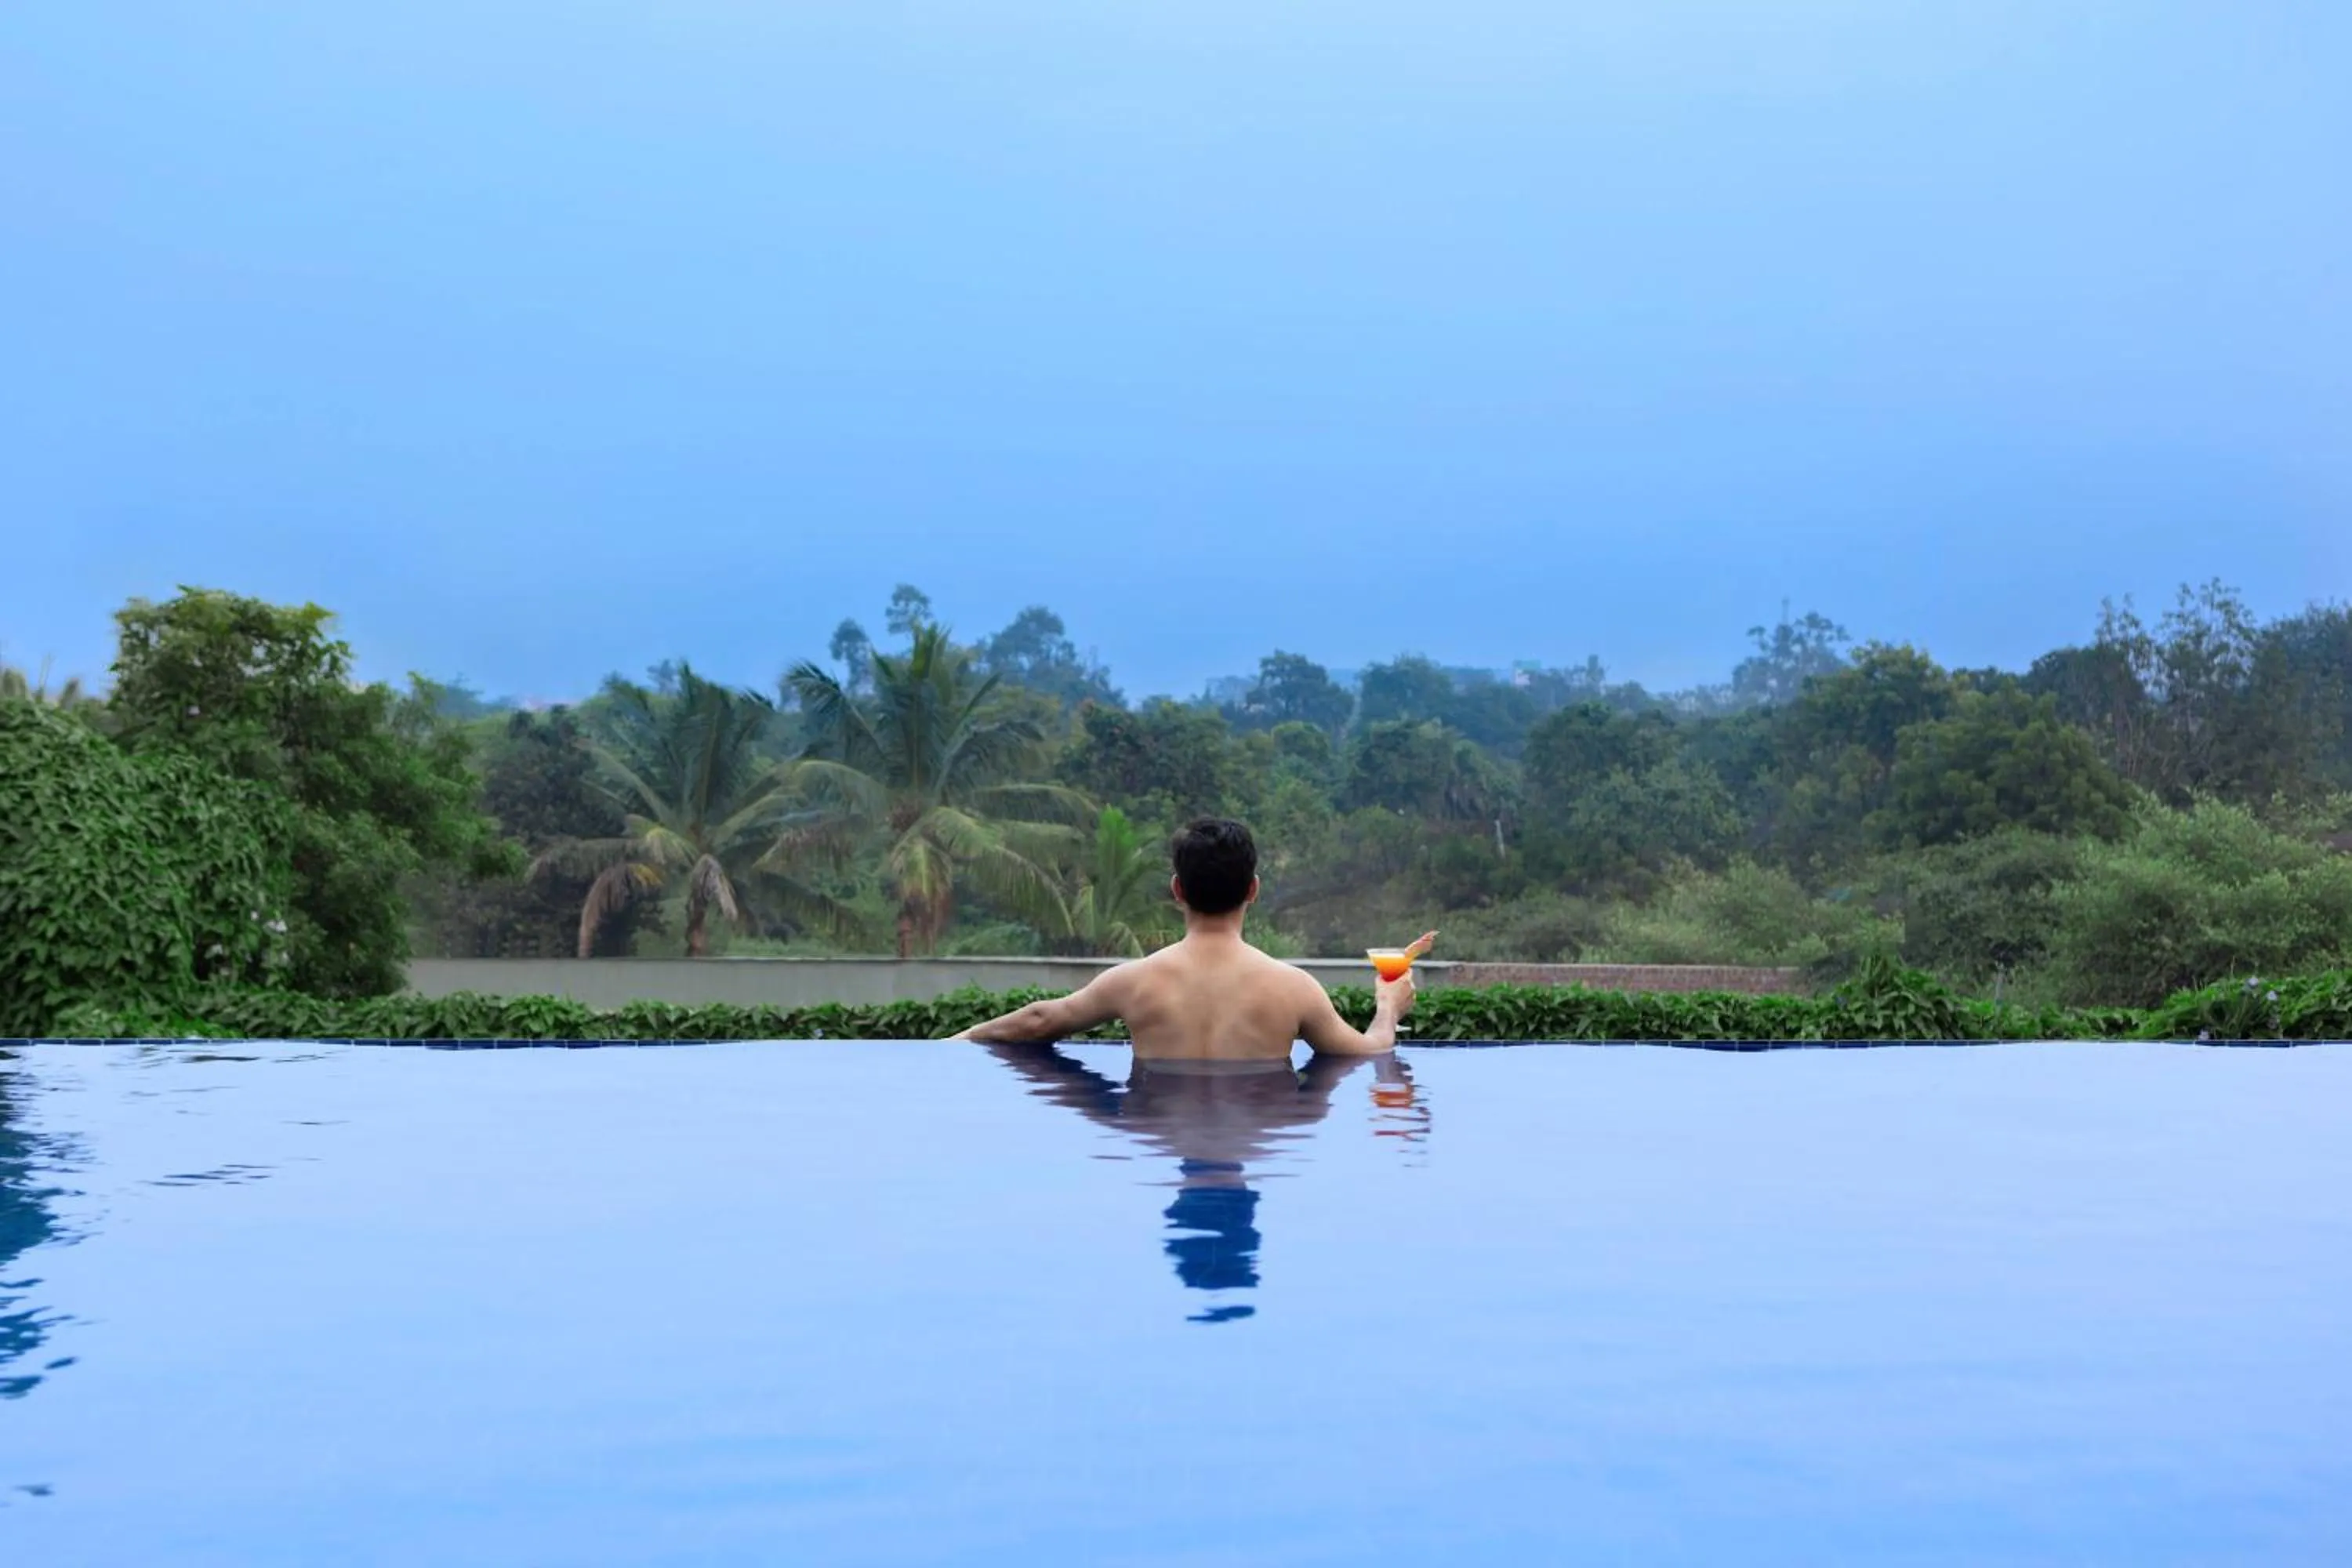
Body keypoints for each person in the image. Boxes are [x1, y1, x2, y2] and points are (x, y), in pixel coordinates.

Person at [950, 817, 1430, 1060]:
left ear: (1177, 890)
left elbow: (1039, 1020)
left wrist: (954, 1042)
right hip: (1265, 1122)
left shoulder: (1131, 982)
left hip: (1158, 1122)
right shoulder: (1293, 988)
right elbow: (1369, 1051)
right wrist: (1388, 1006)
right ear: (1254, 890)